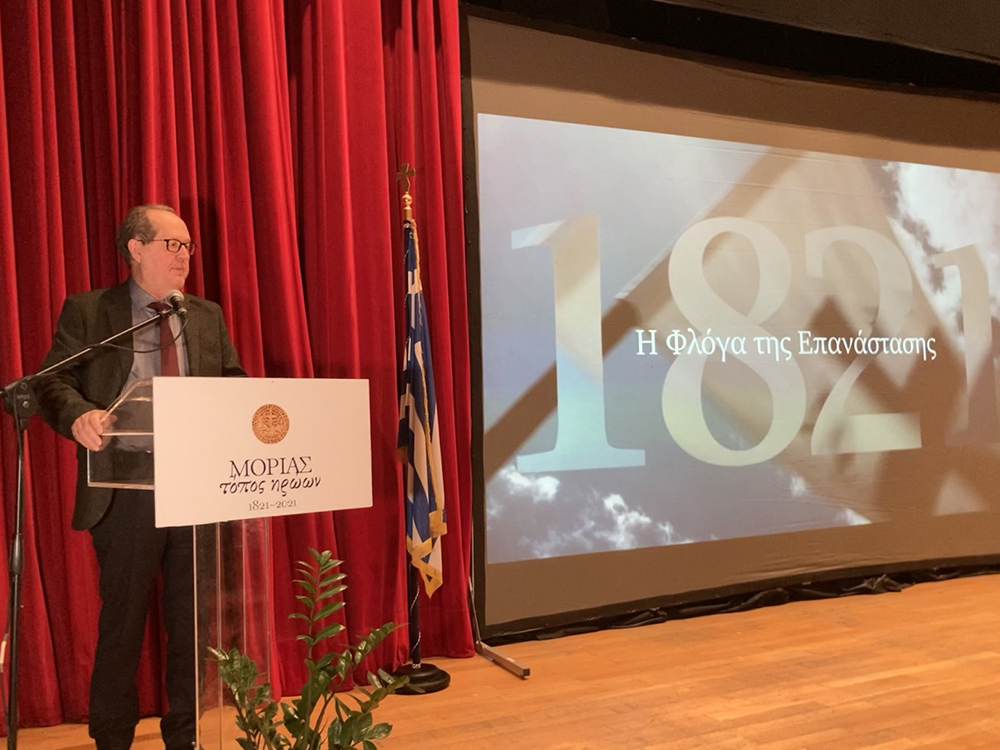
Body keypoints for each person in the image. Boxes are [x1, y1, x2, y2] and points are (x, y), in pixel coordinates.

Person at [34, 204, 246, 750]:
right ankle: (111, 738)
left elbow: (232, 381)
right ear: (136, 248)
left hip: (196, 485)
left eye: (188, 246)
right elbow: (53, 382)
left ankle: (187, 736)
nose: (185, 257)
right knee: (123, 622)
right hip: (127, 486)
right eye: (173, 245)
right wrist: (79, 414)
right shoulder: (91, 311)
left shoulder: (205, 315)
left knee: (192, 623)